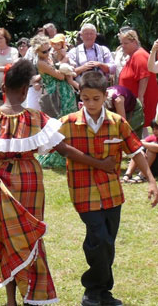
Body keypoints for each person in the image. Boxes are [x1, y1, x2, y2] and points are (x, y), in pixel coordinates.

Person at [0, 60, 116, 306]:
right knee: (31, 235)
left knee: (8, 236)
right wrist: (98, 163)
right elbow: (64, 149)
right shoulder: (35, 118)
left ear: (4, 86)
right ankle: (34, 292)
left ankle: (11, 299)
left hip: (4, 179)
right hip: (31, 179)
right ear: (25, 89)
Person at [58, 71, 158, 306]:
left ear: (105, 96)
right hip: (83, 192)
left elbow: (135, 150)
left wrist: (152, 181)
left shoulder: (117, 122)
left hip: (112, 193)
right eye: (86, 98)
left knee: (107, 243)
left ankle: (103, 293)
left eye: (96, 98)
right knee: (99, 239)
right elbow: (44, 145)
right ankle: (92, 291)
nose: (91, 104)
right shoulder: (67, 123)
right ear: (80, 97)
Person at [33, 35, 79, 169]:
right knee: (60, 124)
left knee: (70, 122)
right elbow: (59, 75)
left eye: (48, 50)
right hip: (57, 95)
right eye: (44, 51)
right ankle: (56, 156)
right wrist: (64, 59)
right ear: (37, 52)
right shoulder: (40, 62)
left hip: (65, 93)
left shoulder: (48, 59)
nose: (48, 53)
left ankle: (70, 152)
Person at [118, 30, 158, 128]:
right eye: (121, 43)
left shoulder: (139, 55)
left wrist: (140, 98)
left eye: (125, 43)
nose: (122, 46)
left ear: (135, 42)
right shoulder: (133, 55)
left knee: (141, 129)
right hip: (133, 103)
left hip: (141, 104)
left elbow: (144, 76)